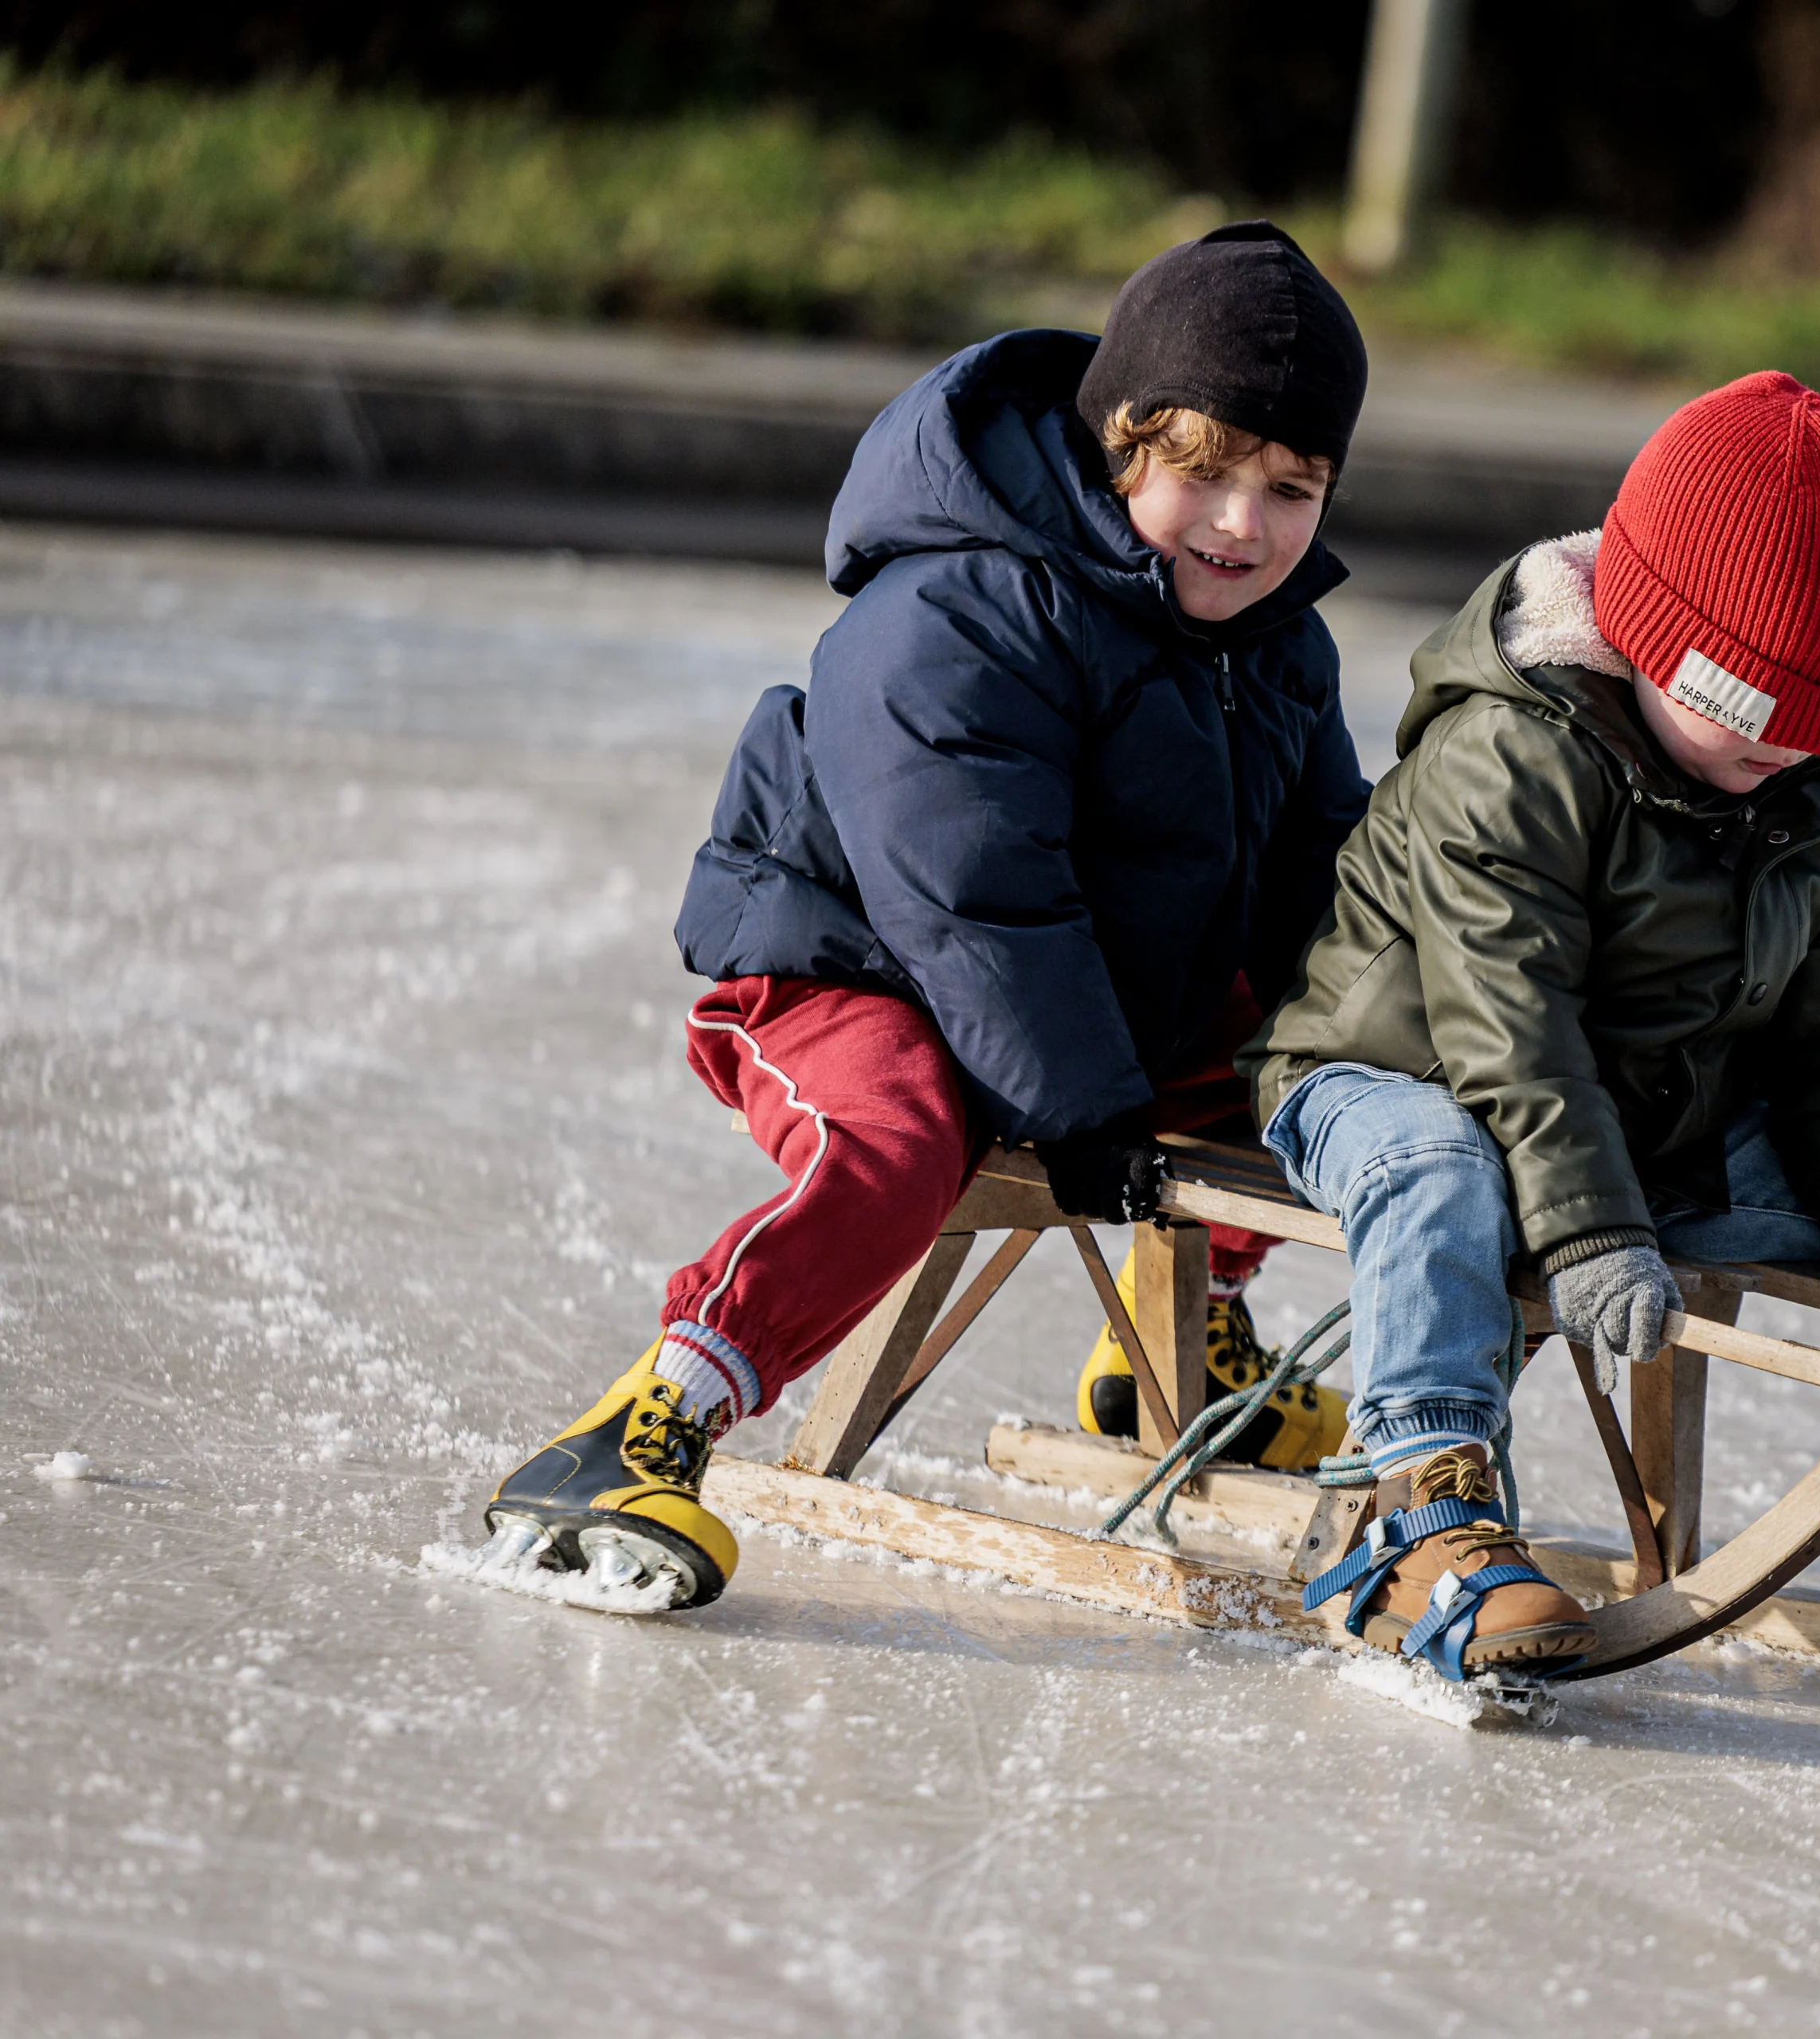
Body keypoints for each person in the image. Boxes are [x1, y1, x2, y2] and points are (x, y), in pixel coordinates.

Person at [475, 223, 1372, 1610]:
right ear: (1123, 441)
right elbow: (969, 884)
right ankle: (647, 1423)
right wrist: (1075, 1102)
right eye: (1203, 473)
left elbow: (1320, 875)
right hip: (853, 963)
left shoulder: (1281, 645)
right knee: (900, 1140)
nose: (1244, 524)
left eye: (1290, 486)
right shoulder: (966, 599)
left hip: (1074, 1001)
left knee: (1301, 1070)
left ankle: (1174, 1345)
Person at [1256, 372, 1820, 1681]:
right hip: (1389, 1067)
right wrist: (1590, 1228)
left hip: (1632, 1101)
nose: (1790, 756)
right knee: (1437, 1169)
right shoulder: (1507, 755)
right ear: (1643, 635)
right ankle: (1418, 1505)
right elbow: (1506, 1021)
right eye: (1759, 715)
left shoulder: (1798, 795)